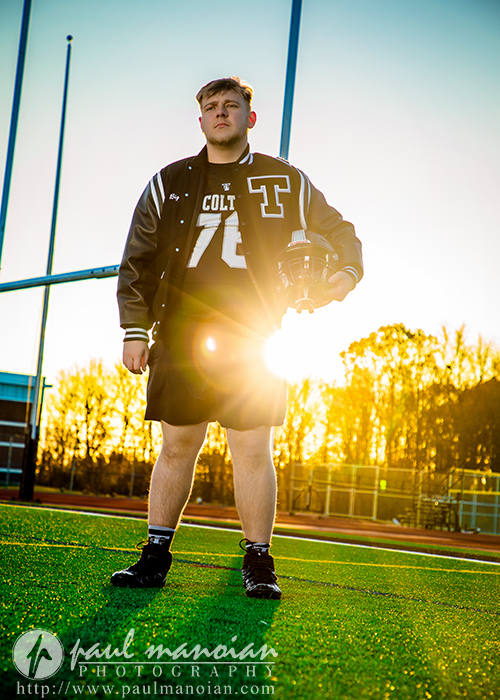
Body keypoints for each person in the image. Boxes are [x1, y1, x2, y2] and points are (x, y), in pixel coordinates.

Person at [112, 77, 363, 599]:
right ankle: (154, 556)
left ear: (251, 117)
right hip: (181, 329)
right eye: (210, 106)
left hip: (254, 332)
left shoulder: (286, 181)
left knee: (252, 448)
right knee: (178, 444)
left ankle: (259, 561)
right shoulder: (169, 181)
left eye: (232, 105)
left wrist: (342, 277)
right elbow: (136, 261)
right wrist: (134, 330)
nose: (220, 112)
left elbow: (340, 233)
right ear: (199, 119)